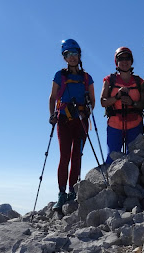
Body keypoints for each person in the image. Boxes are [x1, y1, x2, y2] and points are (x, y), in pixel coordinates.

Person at [48, 39, 96, 211]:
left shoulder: (86, 78)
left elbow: (93, 101)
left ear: (79, 55)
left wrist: (88, 109)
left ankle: (72, 192)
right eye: (69, 54)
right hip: (64, 120)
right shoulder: (59, 76)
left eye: (75, 54)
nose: (73, 57)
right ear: (65, 57)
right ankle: (62, 194)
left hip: (81, 121)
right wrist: (52, 114)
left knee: (76, 157)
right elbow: (53, 97)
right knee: (64, 156)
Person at [100, 47, 144, 163]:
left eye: (127, 58)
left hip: (135, 124)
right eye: (121, 58)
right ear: (117, 62)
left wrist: (132, 103)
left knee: (135, 160)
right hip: (115, 125)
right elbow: (103, 102)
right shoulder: (110, 80)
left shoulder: (139, 81)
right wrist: (117, 97)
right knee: (112, 159)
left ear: (131, 61)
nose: (125, 62)